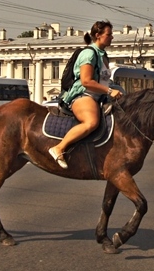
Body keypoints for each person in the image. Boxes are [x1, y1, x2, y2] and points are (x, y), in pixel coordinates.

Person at [49, 21, 122, 169]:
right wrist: (109, 91)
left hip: (99, 97)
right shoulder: (89, 53)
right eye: (109, 34)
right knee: (91, 122)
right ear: (98, 35)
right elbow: (86, 81)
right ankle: (59, 148)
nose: (112, 37)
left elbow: (103, 80)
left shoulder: (103, 55)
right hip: (83, 95)